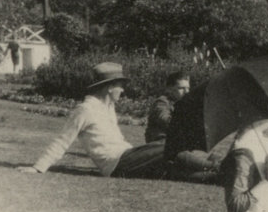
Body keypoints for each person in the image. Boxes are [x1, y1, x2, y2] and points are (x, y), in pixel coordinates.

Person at [18, 62, 169, 179]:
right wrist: (38, 167)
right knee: (169, 145)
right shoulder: (86, 109)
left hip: (128, 156)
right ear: (110, 87)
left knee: (175, 164)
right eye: (120, 86)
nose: (123, 90)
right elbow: (63, 140)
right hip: (117, 163)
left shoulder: (107, 107)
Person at [144, 71, 191, 144]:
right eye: (181, 88)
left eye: (188, 88)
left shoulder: (184, 105)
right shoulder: (162, 103)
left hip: (174, 144)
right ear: (169, 89)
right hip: (159, 146)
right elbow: (167, 121)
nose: (187, 92)